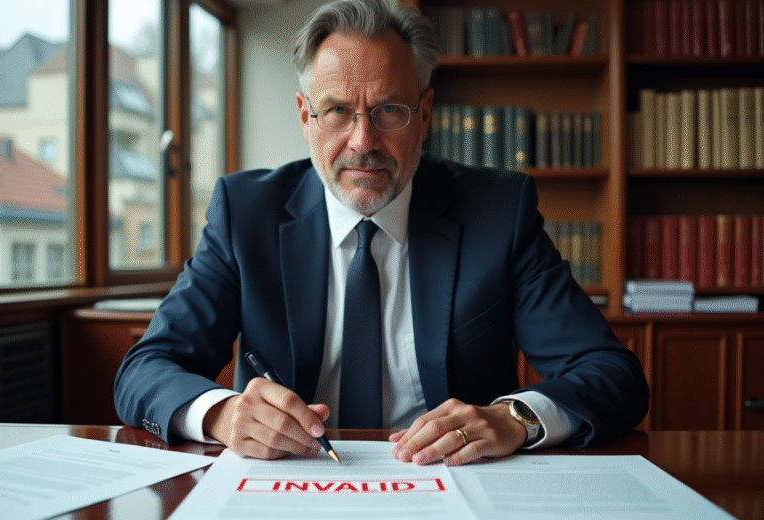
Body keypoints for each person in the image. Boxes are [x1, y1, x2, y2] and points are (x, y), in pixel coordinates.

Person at [114, 0, 649, 467]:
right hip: (291, 487)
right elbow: (146, 368)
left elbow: (612, 374)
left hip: (452, 486)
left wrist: (516, 419)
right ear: (306, 117)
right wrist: (223, 414)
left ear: (425, 114)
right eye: (338, 112)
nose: (363, 141)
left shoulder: (497, 213)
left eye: (389, 110)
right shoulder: (246, 213)